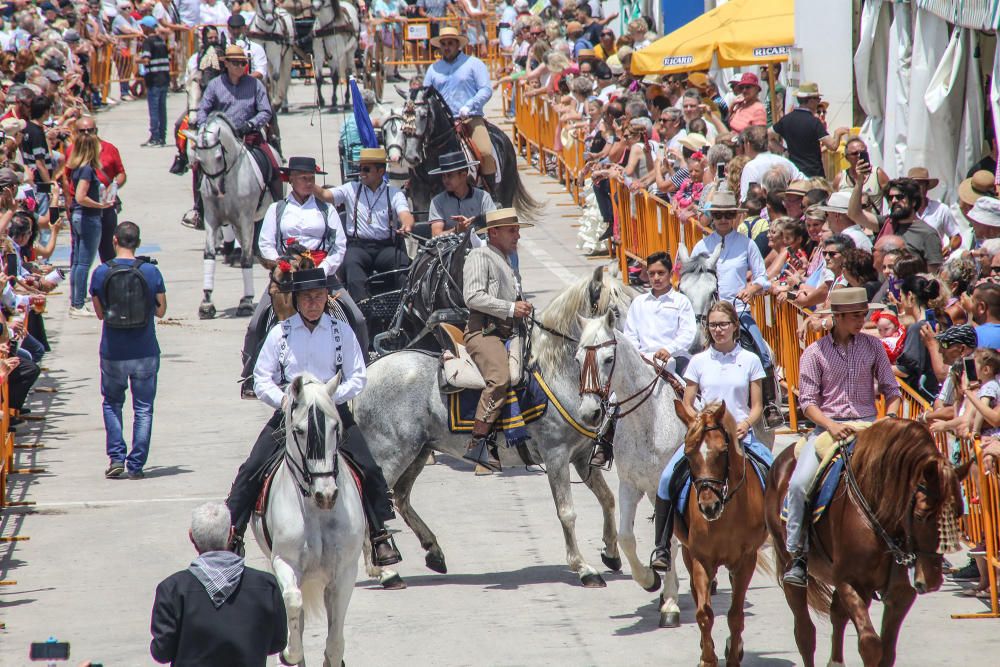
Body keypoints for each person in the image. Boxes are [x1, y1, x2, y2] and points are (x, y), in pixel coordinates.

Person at [226, 267, 402, 565]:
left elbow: (358, 376)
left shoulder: (340, 331)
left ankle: (379, 533)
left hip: (332, 412)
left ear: (326, 298)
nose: (313, 303)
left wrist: (329, 399)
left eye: (318, 296)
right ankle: (233, 533)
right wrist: (284, 401)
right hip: (291, 415)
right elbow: (261, 378)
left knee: (369, 468)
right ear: (296, 300)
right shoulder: (279, 333)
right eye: (307, 297)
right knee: (252, 468)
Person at [783, 288, 901, 586]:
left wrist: (889, 419)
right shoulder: (814, 353)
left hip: (869, 425)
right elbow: (807, 402)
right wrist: (831, 425)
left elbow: (892, 390)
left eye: (863, 314)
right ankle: (797, 553)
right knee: (798, 484)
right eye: (854, 316)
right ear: (837, 317)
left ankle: (908, 548)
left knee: (905, 476)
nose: (861, 321)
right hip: (828, 428)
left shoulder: (873, 347)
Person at [650, 300, 771, 571]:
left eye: (723, 324)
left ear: (735, 326)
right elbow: (689, 401)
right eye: (713, 325)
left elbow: (756, 406)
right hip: (706, 437)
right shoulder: (699, 361)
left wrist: (746, 424)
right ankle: (661, 547)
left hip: (740, 436)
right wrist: (697, 422)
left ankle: (783, 539)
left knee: (774, 472)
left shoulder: (749, 360)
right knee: (667, 477)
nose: (718, 330)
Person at [244, 156, 362, 397]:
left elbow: (339, 245)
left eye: (312, 179)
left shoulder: (325, 209)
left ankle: (362, 367)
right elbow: (265, 243)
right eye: (305, 178)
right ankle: (250, 375)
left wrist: (324, 268)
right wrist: (282, 263)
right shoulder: (276, 210)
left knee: (357, 318)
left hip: (320, 274)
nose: (310, 183)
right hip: (287, 275)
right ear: (292, 179)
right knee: (256, 324)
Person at [150, 502, 287, 666]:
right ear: (230, 534)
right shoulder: (266, 585)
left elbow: (162, 652)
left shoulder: (171, 590)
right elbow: (277, 643)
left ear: (191, 536)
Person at [593, 251, 696, 468]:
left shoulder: (681, 301)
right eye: (652, 274)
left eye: (661, 273)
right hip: (642, 360)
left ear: (671, 274)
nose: (656, 278)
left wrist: (669, 349)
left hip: (673, 359)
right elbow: (630, 334)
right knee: (613, 398)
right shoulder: (639, 302)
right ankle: (603, 443)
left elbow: (688, 333)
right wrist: (637, 355)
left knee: (692, 393)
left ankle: (697, 435)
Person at [690, 190, 783, 427]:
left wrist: (752, 288)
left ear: (735, 216)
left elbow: (763, 278)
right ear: (711, 216)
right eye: (718, 214)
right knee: (689, 352)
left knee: (761, 351)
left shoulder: (747, 244)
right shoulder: (702, 245)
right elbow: (691, 276)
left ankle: (770, 405)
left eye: (728, 214)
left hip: (738, 311)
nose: (722, 219)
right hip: (706, 313)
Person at [90, 221, 166, 479]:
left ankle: (116, 457)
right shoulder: (151, 272)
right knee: (143, 408)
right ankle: (136, 464)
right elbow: (161, 310)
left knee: (112, 403)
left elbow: (100, 314)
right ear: (138, 242)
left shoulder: (101, 273)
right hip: (145, 349)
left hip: (113, 350)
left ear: (114, 240)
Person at [461, 208, 533, 472]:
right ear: (493, 232)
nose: (518, 236)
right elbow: (473, 297)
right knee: (500, 378)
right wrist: (512, 308)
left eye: (517, 230)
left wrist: (520, 307)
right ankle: (478, 443)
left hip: (508, 329)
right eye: (512, 231)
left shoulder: (507, 258)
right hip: (483, 332)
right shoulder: (480, 255)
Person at [319, 148, 414, 303]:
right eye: (360, 168)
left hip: (386, 247)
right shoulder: (351, 189)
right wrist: (310, 184)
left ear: (381, 171)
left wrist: (407, 225)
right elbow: (325, 195)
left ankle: (405, 307)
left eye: (366, 169)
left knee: (402, 264)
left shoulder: (394, 193)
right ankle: (363, 308)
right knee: (351, 264)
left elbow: (405, 214)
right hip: (358, 246)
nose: (361, 173)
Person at [195, 45, 282, 202]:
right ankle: (197, 209)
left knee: (273, 164)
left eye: (243, 63)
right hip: (219, 138)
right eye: (236, 63)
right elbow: (203, 110)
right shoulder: (214, 85)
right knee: (198, 165)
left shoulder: (255, 84)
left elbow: (266, 111)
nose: (241, 66)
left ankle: (279, 206)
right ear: (226, 63)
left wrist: (251, 124)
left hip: (249, 136)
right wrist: (203, 128)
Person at [422, 26, 498, 194]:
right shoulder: (433, 69)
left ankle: (491, 192)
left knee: (485, 151)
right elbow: (424, 94)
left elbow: (486, 89)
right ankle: (414, 184)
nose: (446, 47)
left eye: (450, 43)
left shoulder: (474, 64)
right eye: (443, 44)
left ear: (458, 45)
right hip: (440, 123)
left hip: (469, 118)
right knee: (416, 148)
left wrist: (469, 106)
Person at [64, 116, 127, 264]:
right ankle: (78, 285)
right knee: (79, 251)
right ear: (76, 132)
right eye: (82, 131)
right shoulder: (72, 150)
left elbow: (121, 173)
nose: (86, 134)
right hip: (82, 208)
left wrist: (115, 185)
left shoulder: (110, 149)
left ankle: (110, 280)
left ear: (96, 131)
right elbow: (66, 178)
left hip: (106, 206)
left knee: (108, 247)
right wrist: (68, 201)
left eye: (90, 130)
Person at [68, 132, 114, 317]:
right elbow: (81, 196)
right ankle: (78, 304)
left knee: (78, 262)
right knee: (84, 263)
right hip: (88, 217)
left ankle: (75, 301)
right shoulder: (87, 169)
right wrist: (100, 205)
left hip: (79, 216)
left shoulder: (77, 167)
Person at [770, 82, 849, 178]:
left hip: (794, 174)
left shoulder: (786, 120)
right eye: (818, 99)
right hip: (813, 175)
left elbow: (767, 137)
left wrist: (784, 150)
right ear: (811, 101)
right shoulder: (814, 122)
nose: (819, 102)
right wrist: (837, 133)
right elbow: (833, 146)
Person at [427, 150, 496, 238]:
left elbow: (495, 227)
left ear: (463, 175)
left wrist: (476, 223)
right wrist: (457, 230)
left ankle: (493, 185)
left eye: (449, 175)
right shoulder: (437, 202)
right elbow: (436, 235)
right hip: (450, 250)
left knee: (486, 151)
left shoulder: (483, 197)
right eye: (443, 176)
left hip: (481, 247)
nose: (445, 180)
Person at [880, 177, 943, 272]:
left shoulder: (927, 234)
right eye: (890, 198)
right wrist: (859, 183)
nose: (894, 201)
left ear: (913, 202)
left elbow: (934, 275)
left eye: (899, 197)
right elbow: (855, 214)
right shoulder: (887, 224)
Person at [138, 15, 170, 147]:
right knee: (162, 109)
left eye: (143, 26)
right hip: (164, 79)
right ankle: (162, 136)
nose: (141, 28)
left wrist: (136, 60)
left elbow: (146, 59)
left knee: (154, 109)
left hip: (154, 80)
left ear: (147, 27)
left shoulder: (148, 42)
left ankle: (155, 137)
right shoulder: (161, 41)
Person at [227, 13, 268, 81]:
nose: (236, 31)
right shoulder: (224, 46)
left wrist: (242, 80)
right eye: (233, 28)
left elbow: (261, 72)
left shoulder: (256, 48)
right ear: (228, 28)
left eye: (238, 28)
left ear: (245, 27)